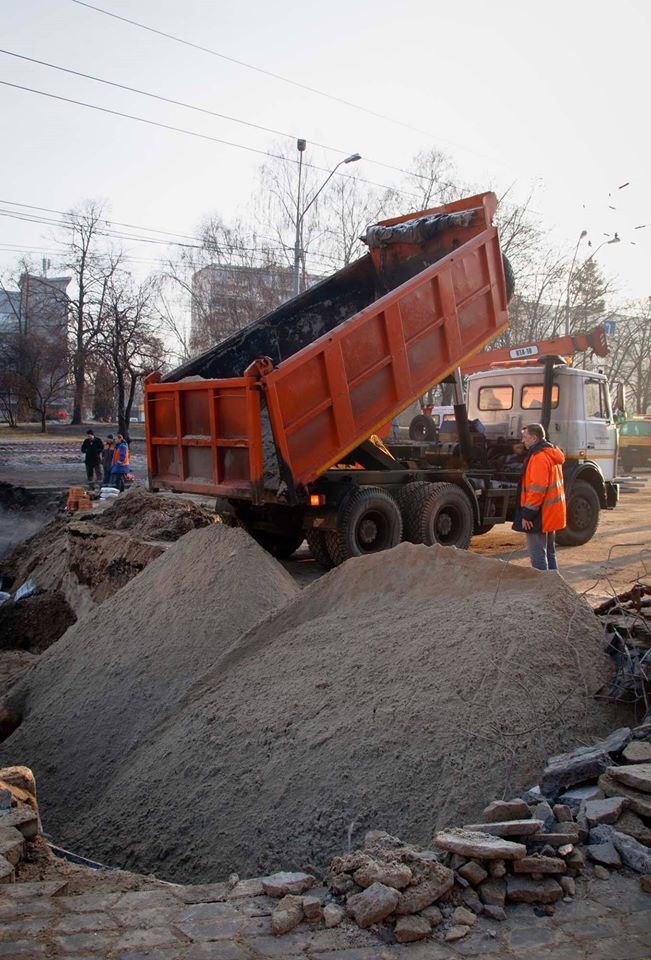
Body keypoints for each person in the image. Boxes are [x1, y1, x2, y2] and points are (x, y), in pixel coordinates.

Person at [513, 423, 566, 571]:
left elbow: (537, 489)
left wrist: (528, 514)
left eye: (525, 437)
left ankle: (542, 585)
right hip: (549, 513)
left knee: (538, 556)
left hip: (539, 515)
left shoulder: (539, 458)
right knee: (549, 553)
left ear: (534, 438)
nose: (523, 441)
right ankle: (554, 583)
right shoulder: (551, 453)